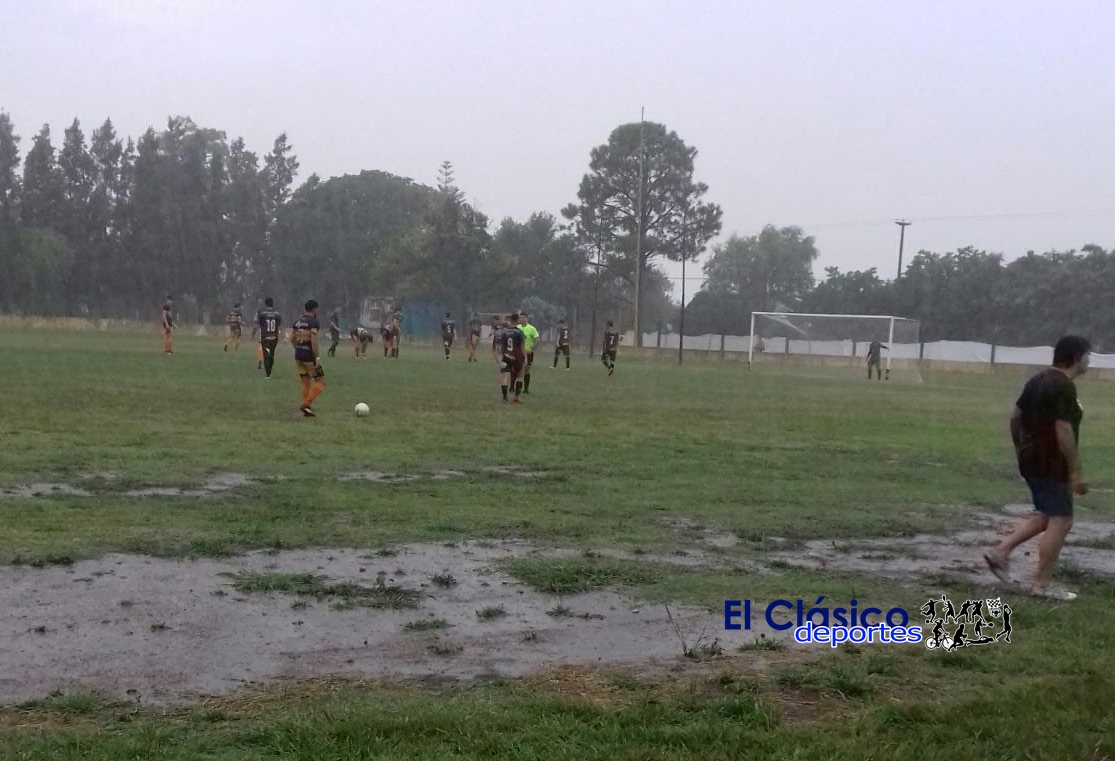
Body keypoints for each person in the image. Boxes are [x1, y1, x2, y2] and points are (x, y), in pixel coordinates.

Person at [984, 335, 1090, 600]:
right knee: (1062, 519)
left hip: (1031, 459)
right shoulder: (1063, 386)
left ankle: (1000, 552)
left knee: (1045, 514)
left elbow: (1015, 417)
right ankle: (1040, 585)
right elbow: (1063, 429)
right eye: (1088, 355)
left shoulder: (1038, 379)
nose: (1089, 361)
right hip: (1051, 462)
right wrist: (1075, 471)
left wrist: (1022, 447)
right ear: (1077, 357)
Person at [290, 299, 326, 417]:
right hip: (308, 356)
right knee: (320, 382)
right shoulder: (313, 322)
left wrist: (298, 348)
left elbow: (292, 339)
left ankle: (307, 409)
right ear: (314, 309)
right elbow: (314, 340)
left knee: (306, 383)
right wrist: (317, 357)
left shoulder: (297, 322)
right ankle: (306, 404)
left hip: (298, 355)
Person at [497, 313, 526, 403]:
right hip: (517, 357)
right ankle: (516, 397)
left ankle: (504, 397)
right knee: (520, 376)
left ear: (510, 320)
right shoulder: (520, 332)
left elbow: (500, 347)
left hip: (506, 356)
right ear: (517, 320)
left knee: (505, 377)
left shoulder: (504, 333)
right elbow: (522, 347)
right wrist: (525, 359)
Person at [255, 297, 282, 378]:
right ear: (272, 303)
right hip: (274, 336)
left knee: (266, 355)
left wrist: (253, 333)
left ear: (265, 303)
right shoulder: (277, 313)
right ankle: (270, 370)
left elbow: (257, 323)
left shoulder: (261, 313)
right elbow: (278, 325)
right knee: (272, 354)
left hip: (265, 336)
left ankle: (268, 374)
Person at [517, 313, 540, 392]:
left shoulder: (531, 328)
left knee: (527, 370)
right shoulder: (517, 328)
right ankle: (513, 388)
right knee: (517, 370)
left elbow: (537, 339)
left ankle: (526, 389)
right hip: (518, 352)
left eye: (523, 318)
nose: (522, 319)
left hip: (527, 352)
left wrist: (532, 349)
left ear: (526, 319)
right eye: (520, 318)